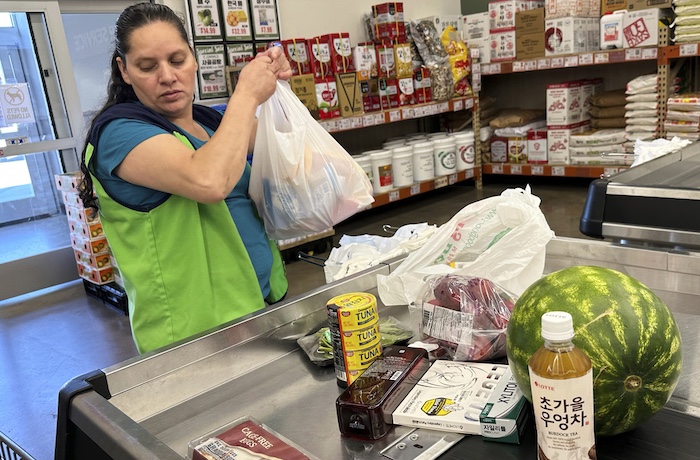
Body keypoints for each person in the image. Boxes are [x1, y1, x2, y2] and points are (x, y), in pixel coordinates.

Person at [78, 3, 292, 353]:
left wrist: (276, 81)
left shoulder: (209, 122)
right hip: (195, 335)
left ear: (194, 59)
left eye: (177, 60)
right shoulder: (120, 134)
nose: (167, 76)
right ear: (124, 70)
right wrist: (247, 93)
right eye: (147, 66)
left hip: (257, 305)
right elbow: (209, 181)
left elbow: (287, 142)